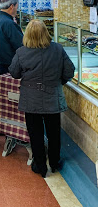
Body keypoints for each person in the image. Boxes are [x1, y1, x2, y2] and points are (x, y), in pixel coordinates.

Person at [9, 20, 75, 178]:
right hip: (52, 97)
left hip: (31, 100)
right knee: (54, 133)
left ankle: (40, 166)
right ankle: (54, 163)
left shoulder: (21, 52)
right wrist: (58, 83)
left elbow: (14, 72)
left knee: (35, 134)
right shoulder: (58, 49)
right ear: (46, 33)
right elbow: (70, 71)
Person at [0, 0, 23, 75]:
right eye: (16, 7)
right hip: (9, 63)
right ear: (12, 6)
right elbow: (20, 44)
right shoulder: (9, 23)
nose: (16, 10)